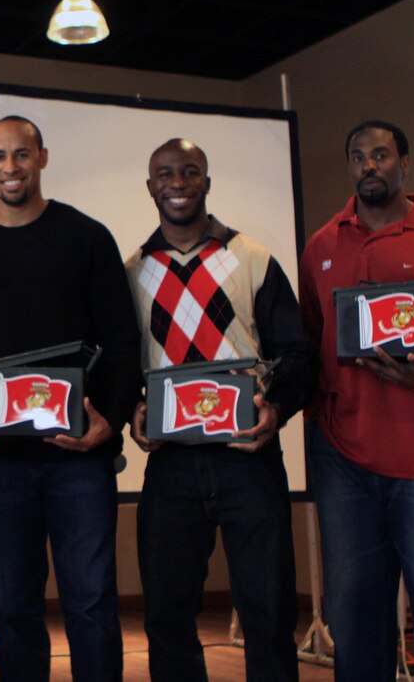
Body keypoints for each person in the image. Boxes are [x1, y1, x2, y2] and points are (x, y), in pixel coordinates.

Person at [0, 115, 142, 682]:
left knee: (92, 604)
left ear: (42, 158)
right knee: (12, 608)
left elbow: (122, 341)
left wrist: (110, 421)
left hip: (79, 458)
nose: (10, 167)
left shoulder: (87, 237)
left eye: (21, 155)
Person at [127, 138, 311, 682]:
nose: (177, 182)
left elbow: (297, 355)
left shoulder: (252, 258)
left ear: (207, 182)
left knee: (269, 611)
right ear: (150, 186)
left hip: (248, 460)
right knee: (166, 614)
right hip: (171, 466)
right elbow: (119, 365)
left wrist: (274, 411)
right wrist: (133, 412)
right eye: (165, 173)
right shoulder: (131, 270)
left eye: (189, 172)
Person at [299, 121, 414, 682]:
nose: (369, 165)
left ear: (405, 165)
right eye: (358, 156)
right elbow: (309, 347)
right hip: (344, 462)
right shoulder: (321, 245)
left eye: (381, 155)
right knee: (356, 614)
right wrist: (319, 421)